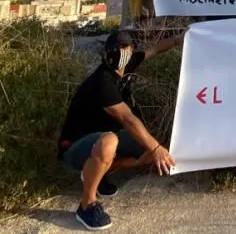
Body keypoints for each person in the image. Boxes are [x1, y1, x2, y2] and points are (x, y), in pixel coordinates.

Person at [57, 30, 183, 230]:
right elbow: (127, 118)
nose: (119, 52)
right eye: (114, 49)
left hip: (102, 139)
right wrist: (156, 147)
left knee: (150, 152)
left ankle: (99, 173)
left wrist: (179, 39)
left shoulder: (129, 63)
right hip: (76, 146)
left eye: (124, 48)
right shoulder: (102, 81)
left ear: (130, 50)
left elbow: (155, 49)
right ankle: (86, 204)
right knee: (112, 142)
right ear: (107, 51)